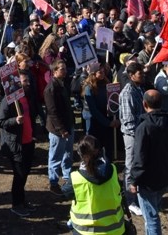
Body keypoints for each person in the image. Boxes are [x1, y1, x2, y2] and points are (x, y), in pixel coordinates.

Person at [129, 89, 168, 235]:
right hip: (163, 176)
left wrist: (133, 180)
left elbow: (139, 157)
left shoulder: (144, 127)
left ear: (144, 104)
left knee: (151, 218)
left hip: (148, 181)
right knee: (151, 214)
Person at [66, 134, 125, 235]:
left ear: (80, 154)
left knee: (70, 224)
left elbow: (66, 192)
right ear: (100, 151)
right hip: (116, 229)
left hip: (85, 231)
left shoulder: (76, 177)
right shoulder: (113, 169)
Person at [0, 70, 36, 217]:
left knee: (25, 174)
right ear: (17, 83)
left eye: (28, 81)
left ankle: (22, 201)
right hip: (16, 144)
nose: (28, 83)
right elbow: (1, 122)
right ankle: (16, 204)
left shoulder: (26, 97)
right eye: (25, 81)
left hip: (28, 142)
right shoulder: (8, 100)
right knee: (19, 175)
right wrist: (15, 120)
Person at [118, 60, 145, 216]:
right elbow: (129, 121)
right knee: (130, 167)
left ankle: (137, 195)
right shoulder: (128, 93)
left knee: (138, 165)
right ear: (131, 75)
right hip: (132, 136)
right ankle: (130, 201)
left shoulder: (139, 89)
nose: (142, 76)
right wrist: (139, 136)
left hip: (139, 134)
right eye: (139, 74)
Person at [45, 58, 74, 195]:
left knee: (68, 154)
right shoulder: (50, 89)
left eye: (65, 68)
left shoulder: (63, 84)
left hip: (68, 125)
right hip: (58, 130)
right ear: (55, 71)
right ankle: (53, 182)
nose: (65, 71)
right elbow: (52, 112)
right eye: (62, 69)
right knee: (56, 156)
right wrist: (61, 129)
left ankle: (67, 177)